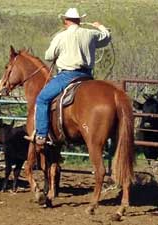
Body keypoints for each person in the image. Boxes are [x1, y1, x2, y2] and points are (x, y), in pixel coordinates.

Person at [34, 7, 112, 146]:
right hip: (86, 76)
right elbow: (106, 38)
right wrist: (100, 26)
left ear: (66, 21)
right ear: (80, 21)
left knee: (42, 99)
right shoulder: (91, 34)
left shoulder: (61, 36)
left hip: (67, 75)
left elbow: (48, 56)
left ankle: (41, 134)